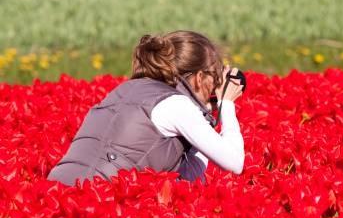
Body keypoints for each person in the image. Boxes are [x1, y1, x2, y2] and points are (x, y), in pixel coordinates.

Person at [47, 30, 245, 186]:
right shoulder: (177, 105)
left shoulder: (126, 89)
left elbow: (187, 176)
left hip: (56, 191)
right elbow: (234, 163)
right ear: (200, 77)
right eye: (215, 76)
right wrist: (227, 103)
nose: (217, 83)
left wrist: (204, 115)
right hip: (96, 200)